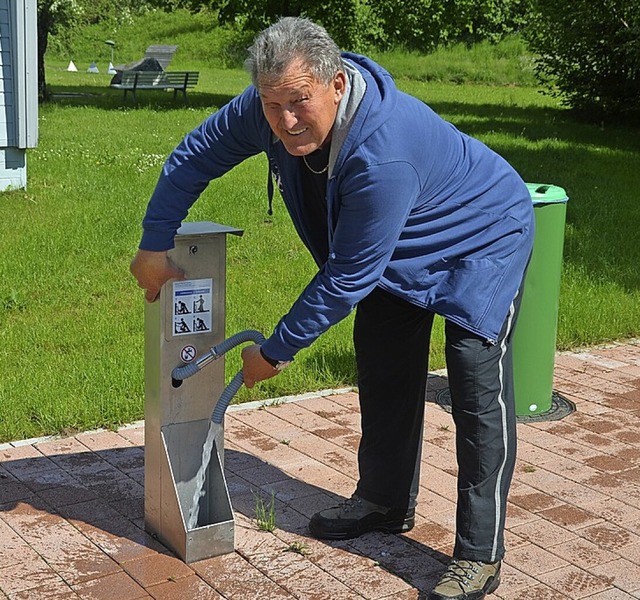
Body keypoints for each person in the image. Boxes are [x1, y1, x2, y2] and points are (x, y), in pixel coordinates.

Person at [130, 16, 534, 600]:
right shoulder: (267, 105)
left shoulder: (383, 154)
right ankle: (383, 502)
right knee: (384, 366)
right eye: (273, 105)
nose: (286, 122)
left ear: (336, 84)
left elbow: (349, 274)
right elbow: (197, 154)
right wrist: (153, 242)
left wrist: (277, 350)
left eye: (299, 102)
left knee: (476, 388)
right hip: (400, 241)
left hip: (482, 237)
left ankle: (479, 554)